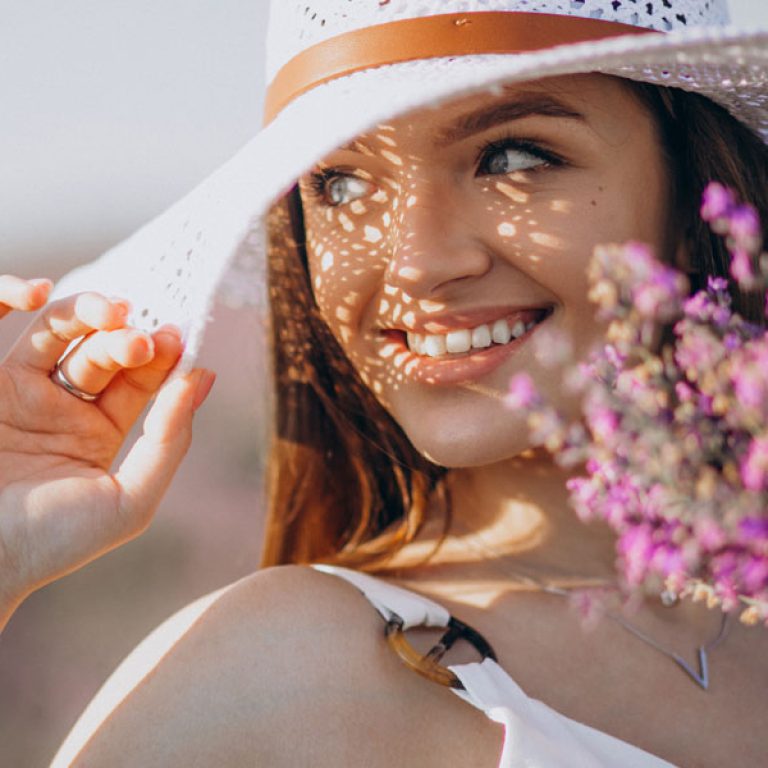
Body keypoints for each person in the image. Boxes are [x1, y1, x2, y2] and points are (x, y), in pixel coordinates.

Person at [2, 2, 767, 766]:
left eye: (511, 157)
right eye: (339, 183)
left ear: (692, 188)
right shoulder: (290, 671)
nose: (417, 265)